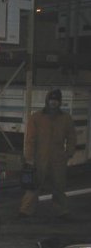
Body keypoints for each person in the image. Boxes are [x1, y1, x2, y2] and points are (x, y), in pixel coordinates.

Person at [19, 89, 76, 220]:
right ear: (47, 101)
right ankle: (25, 210)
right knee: (34, 185)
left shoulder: (65, 118)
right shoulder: (36, 118)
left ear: (60, 102)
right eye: (51, 100)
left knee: (59, 186)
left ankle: (62, 211)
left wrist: (69, 153)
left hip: (58, 158)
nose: (53, 103)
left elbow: (72, 137)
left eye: (56, 100)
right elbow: (30, 139)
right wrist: (29, 158)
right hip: (39, 158)